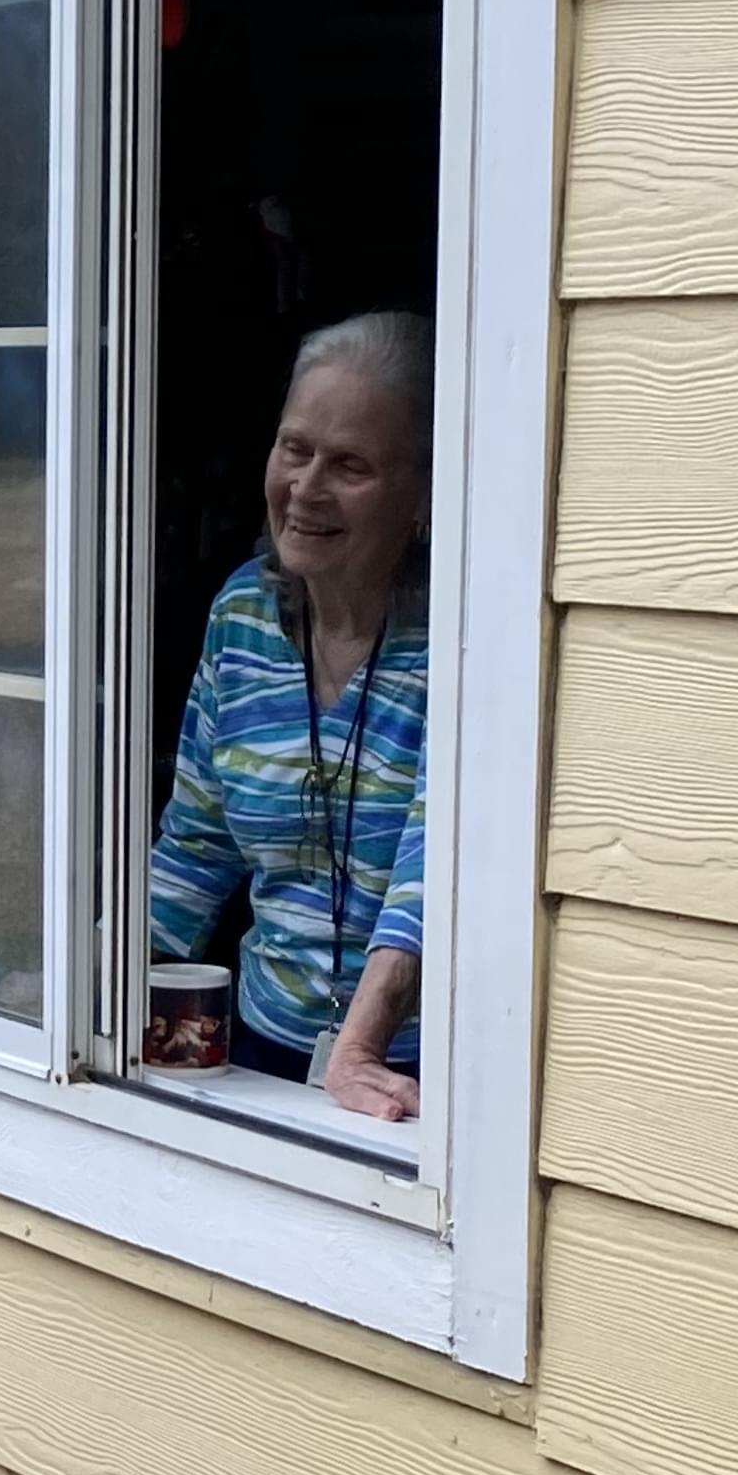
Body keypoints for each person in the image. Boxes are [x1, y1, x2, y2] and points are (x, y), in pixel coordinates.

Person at [149, 311, 431, 1121]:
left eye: (350, 464)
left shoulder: (457, 634)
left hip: (406, 1078)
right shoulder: (242, 614)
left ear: (422, 490)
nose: (305, 488)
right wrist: (84, 976)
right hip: (260, 1046)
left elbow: (432, 875)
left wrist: (361, 1047)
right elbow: (197, 844)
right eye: (294, 448)